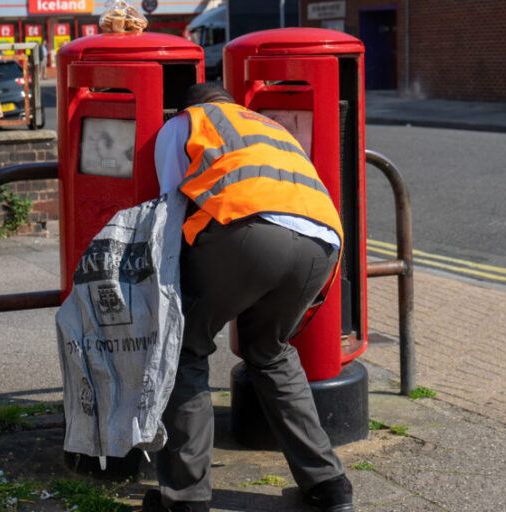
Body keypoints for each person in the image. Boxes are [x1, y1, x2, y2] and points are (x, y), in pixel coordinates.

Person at [143, 83, 354, 512]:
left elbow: (170, 208)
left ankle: (185, 499)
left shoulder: (186, 123)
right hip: (322, 241)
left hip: (247, 231)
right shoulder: (270, 127)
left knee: (184, 350)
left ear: (190, 106)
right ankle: (329, 486)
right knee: (270, 352)